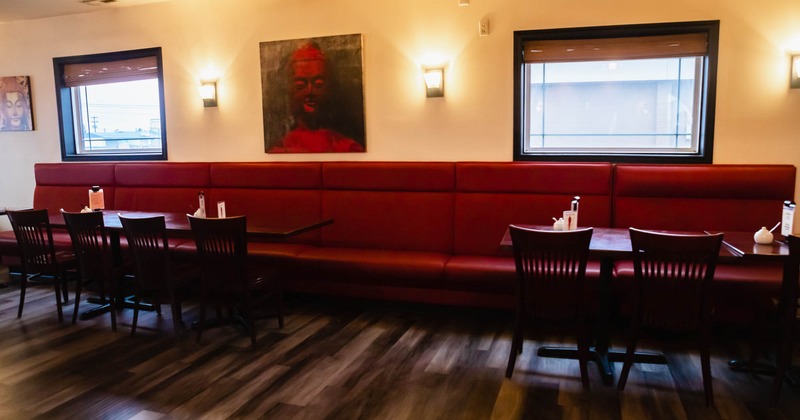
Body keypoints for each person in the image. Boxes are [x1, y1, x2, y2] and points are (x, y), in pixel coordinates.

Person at [268, 42, 364, 153]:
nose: (310, 91)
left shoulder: (349, 147)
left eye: (318, 84)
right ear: (289, 89)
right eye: (300, 85)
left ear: (329, 87)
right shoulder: (279, 148)